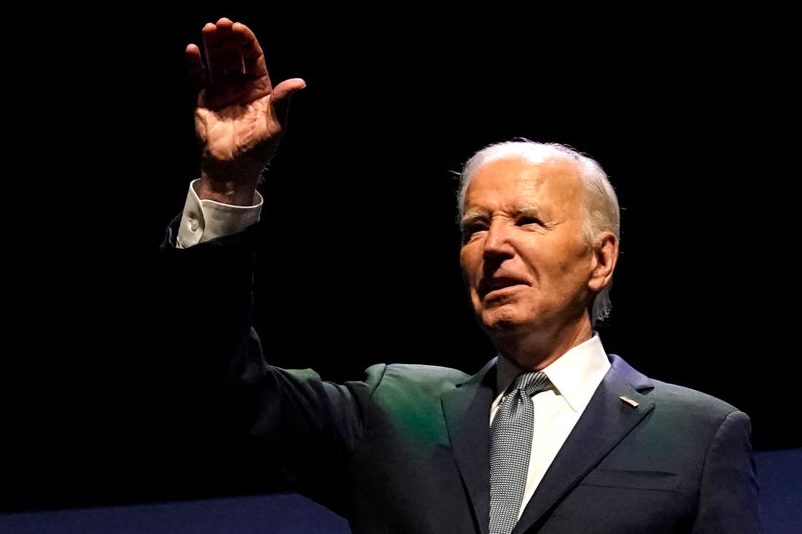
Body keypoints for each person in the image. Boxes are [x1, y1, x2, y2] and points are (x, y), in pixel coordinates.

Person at [161, 16, 761, 533]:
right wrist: (227, 186)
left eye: (527, 221)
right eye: (475, 227)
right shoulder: (394, 414)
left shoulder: (698, 435)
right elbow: (217, 390)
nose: (494, 245)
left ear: (600, 260)